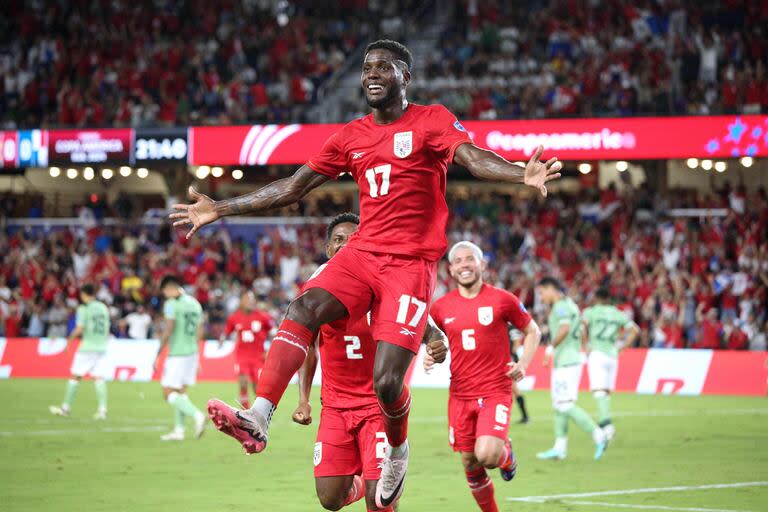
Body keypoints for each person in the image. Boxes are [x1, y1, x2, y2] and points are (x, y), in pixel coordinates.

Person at [170, 39, 561, 506]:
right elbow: (294, 187)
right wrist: (221, 208)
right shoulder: (350, 135)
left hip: (409, 265)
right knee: (304, 306)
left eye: (384, 67)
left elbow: (473, 158)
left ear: (405, 76)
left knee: (388, 382)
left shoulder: (432, 119)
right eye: (366, 67)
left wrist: (521, 174)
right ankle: (259, 414)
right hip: (363, 254)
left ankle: (397, 448)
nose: (372, 74)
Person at [291, 212, 448, 512]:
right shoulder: (316, 291)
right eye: (338, 240)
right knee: (329, 499)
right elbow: (308, 346)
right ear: (328, 249)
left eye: (353, 239)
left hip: (377, 408)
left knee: (379, 503)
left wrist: (436, 343)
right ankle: (365, 482)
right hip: (335, 407)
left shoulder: (384, 285)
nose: (346, 245)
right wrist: (303, 400)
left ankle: (380, 484)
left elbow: (426, 327)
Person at [430, 242, 541, 512]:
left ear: (482, 265)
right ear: (451, 269)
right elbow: (431, 340)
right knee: (470, 463)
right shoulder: (441, 307)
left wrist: (524, 364)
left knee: (487, 455)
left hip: (495, 391)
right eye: (458, 261)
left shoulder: (503, 299)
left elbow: (533, 331)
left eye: (470, 259)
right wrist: (429, 353)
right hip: (459, 394)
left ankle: (506, 455)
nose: (464, 265)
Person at [535, 277, 607, 461]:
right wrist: (584, 346)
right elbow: (582, 327)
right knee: (559, 405)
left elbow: (565, 327)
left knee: (564, 404)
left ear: (551, 289)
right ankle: (560, 448)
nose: (541, 298)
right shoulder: (571, 305)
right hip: (571, 358)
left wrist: (550, 348)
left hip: (566, 361)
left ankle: (599, 434)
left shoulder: (560, 306)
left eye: (542, 293)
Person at [581, 287, 639, 441]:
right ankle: (605, 422)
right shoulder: (618, 313)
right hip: (612, 355)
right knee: (605, 392)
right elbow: (634, 330)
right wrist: (623, 347)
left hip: (597, 353)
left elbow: (582, 328)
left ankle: (606, 425)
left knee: (599, 391)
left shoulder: (590, 312)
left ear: (597, 298)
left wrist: (586, 345)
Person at [155, 275, 206, 441]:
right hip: (191, 352)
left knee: (168, 392)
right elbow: (200, 331)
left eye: (164, 291)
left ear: (169, 288)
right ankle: (179, 430)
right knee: (180, 391)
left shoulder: (171, 304)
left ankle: (197, 415)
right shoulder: (195, 303)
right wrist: (197, 356)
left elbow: (169, 328)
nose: (165, 295)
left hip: (177, 353)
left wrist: (157, 353)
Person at [50, 284, 111, 420]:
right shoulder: (103, 308)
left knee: (75, 377)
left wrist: (68, 342)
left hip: (87, 347)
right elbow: (107, 329)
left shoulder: (84, 308)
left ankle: (65, 408)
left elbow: (79, 328)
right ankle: (102, 410)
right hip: (101, 347)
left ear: (83, 294)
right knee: (99, 378)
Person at [220, 291, 275, 408]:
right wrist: (222, 338)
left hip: (259, 356)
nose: (250, 302)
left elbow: (273, 330)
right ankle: (245, 409)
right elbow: (227, 330)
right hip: (242, 356)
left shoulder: (262, 316)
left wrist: (272, 344)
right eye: (247, 299)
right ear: (242, 302)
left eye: (252, 299)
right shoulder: (234, 317)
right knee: (243, 381)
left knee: (258, 387)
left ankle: (259, 409)